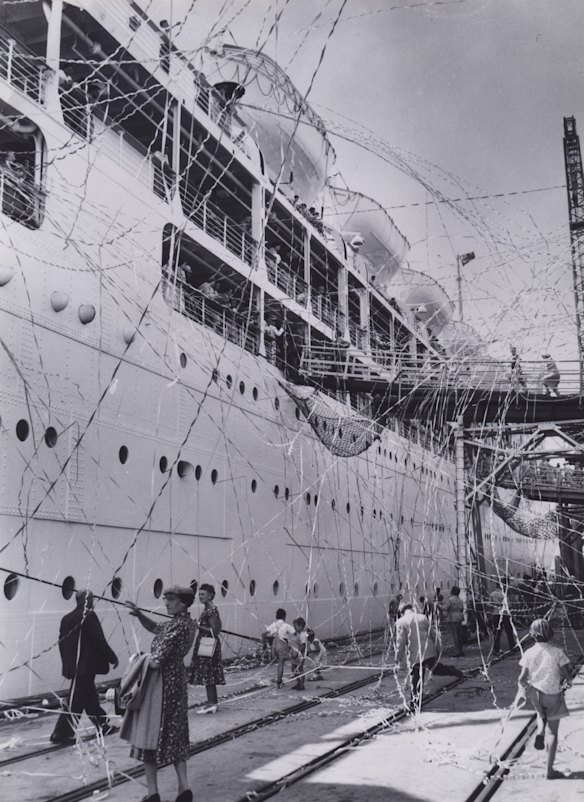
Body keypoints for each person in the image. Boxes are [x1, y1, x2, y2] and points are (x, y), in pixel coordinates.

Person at [123, 585, 196, 802]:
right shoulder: (186, 624)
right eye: (166, 599)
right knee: (177, 735)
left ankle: (152, 793)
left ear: (183, 602)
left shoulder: (176, 627)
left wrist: (138, 661)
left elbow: (155, 663)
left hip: (161, 688)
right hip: (177, 686)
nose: (166, 603)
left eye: (171, 599)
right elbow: (156, 628)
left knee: (151, 735)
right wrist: (139, 614)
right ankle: (184, 789)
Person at [50, 590, 119, 745]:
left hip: (74, 666)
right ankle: (60, 733)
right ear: (87, 600)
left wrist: (67, 665)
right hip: (86, 666)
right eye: (92, 599)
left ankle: (102, 725)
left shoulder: (66, 619)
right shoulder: (88, 615)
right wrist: (111, 657)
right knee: (76, 699)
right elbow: (98, 640)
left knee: (89, 696)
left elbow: (62, 644)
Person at [517, 619, 572, 779]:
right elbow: (567, 675)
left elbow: (521, 678)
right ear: (550, 633)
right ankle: (549, 770)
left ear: (532, 635)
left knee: (541, 714)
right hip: (553, 693)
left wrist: (523, 686)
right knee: (553, 732)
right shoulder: (557, 652)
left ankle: (540, 730)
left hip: (535, 693)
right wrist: (568, 682)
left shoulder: (528, 653)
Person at [395, 601, 463, 711]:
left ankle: (415, 703)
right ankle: (454, 672)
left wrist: (398, 658)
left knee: (416, 677)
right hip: (429, 651)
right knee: (437, 669)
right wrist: (438, 649)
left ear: (402, 611)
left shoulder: (401, 622)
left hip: (415, 655)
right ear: (411, 608)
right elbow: (433, 634)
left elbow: (400, 642)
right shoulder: (422, 617)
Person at [189, 583, 225, 713]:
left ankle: (212, 703)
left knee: (208, 673)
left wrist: (197, 626)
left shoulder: (210, 610)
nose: (200, 596)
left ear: (210, 595)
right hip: (207, 643)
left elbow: (215, 630)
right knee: (208, 673)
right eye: (199, 594)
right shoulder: (210, 608)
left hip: (208, 644)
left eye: (203, 594)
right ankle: (212, 703)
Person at [262, 608, 295, 687]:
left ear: (276, 616)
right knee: (288, 660)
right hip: (282, 645)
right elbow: (295, 633)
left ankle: (280, 681)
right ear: (284, 617)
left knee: (280, 662)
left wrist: (264, 644)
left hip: (274, 646)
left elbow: (264, 634)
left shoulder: (273, 625)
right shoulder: (286, 625)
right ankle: (280, 680)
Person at [490, 582, 516, 656]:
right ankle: (512, 647)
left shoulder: (492, 594)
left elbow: (490, 604)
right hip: (505, 613)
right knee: (509, 631)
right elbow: (509, 605)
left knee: (497, 632)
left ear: (496, 586)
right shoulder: (504, 594)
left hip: (496, 614)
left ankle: (496, 649)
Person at [439, 586, 465, 657]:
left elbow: (445, 608)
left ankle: (457, 652)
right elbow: (462, 609)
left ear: (452, 591)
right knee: (459, 634)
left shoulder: (450, 599)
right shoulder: (460, 600)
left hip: (453, 618)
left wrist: (438, 605)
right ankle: (461, 650)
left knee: (455, 635)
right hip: (460, 617)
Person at [290, 617, 308, 690]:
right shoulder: (298, 634)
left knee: (300, 669)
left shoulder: (303, 635)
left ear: (300, 626)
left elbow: (303, 645)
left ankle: (302, 684)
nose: (295, 628)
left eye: (296, 626)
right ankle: (298, 682)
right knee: (293, 668)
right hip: (295, 654)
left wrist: (297, 653)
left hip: (300, 655)